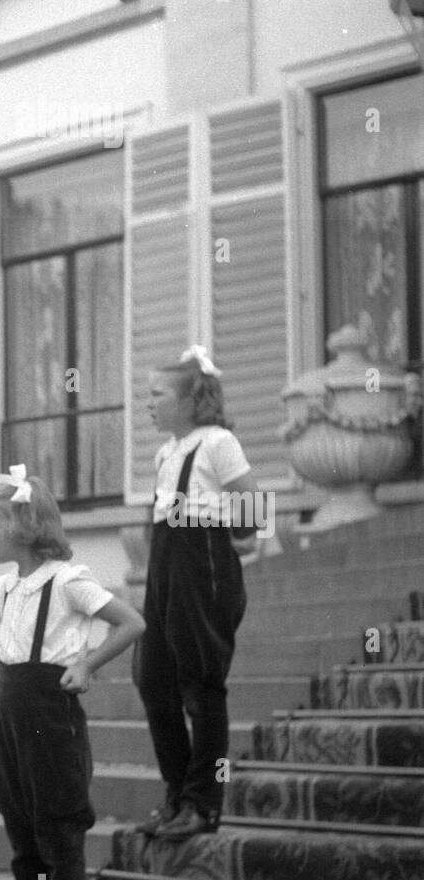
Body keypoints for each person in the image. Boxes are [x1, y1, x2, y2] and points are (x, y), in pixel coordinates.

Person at [0, 467, 145, 880]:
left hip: (49, 720)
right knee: (23, 833)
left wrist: (87, 665)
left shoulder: (68, 580)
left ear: (23, 526)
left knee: (58, 832)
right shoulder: (7, 587)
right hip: (8, 716)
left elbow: (132, 622)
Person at [137, 345, 260, 840]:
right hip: (165, 568)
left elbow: (251, 502)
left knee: (201, 684)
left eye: (157, 394)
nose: (148, 403)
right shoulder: (166, 452)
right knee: (153, 679)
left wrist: (236, 542)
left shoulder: (217, 443)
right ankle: (176, 793)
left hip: (202, 566)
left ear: (192, 401)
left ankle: (203, 804)